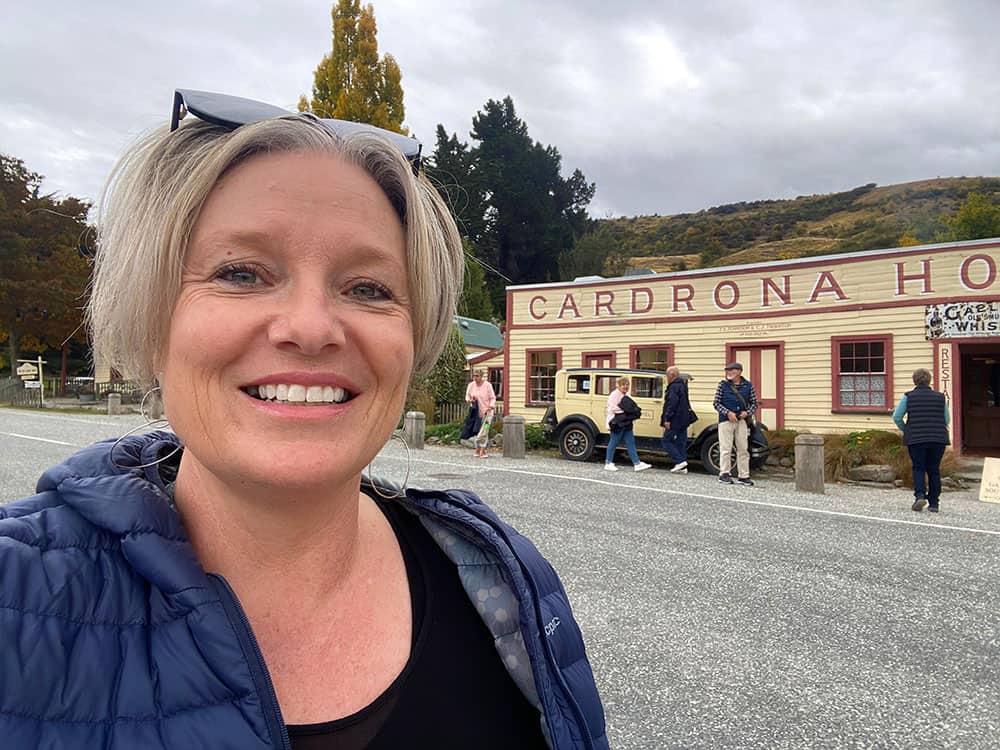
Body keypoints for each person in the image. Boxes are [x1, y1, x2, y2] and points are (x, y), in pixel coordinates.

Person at [0, 89, 607, 749]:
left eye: (368, 288)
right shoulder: (16, 595)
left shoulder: (506, 585)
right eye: (241, 273)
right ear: (152, 323)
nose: (313, 327)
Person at [893, 368, 951, 513]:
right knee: (934, 469)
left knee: (918, 467)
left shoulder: (909, 397)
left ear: (914, 381)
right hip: (938, 438)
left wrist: (906, 429)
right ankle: (934, 503)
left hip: (916, 438)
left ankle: (919, 496)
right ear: (929, 380)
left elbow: (897, 417)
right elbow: (947, 419)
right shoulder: (940, 397)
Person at [712, 362, 758, 486]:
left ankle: (744, 475)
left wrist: (747, 413)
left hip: (741, 421)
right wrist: (727, 413)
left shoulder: (748, 386)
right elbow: (716, 403)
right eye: (727, 371)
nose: (728, 373)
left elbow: (754, 403)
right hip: (726, 421)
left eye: (731, 371)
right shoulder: (722, 385)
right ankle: (724, 474)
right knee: (725, 449)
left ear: (739, 372)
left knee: (743, 448)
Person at [604, 376, 652, 472]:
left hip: (625, 422)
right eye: (623, 385)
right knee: (614, 442)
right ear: (619, 385)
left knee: (630, 442)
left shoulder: (626, 395)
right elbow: (613, 408)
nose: (625, 386)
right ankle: (608, 462)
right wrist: (627, 411)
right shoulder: (614, 395)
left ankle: (636, 463)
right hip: (616, 422)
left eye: (627, 384)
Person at [660, 365, 692, 473]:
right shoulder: (682, 385)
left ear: (671, 375)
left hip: (675, 418)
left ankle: (680, 461)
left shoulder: (673, 387)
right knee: (681, 441)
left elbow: (671, 404)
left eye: (667, 375)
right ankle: (683, 466)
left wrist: (667, 418)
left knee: (666, 440)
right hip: (684, 418)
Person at [465, 369, 496, 457]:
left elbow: (493, 397)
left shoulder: (487, 385)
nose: (475, 378)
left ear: (481, 376)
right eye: (474, 376)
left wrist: (491, 406)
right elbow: (467, 395)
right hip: (476, 413)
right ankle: (479, 449)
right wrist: (469, 400)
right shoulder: (471, 385)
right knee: (479, 430)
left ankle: (481, 449)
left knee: (485, 430)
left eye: (477, 376)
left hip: (487, 413)